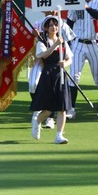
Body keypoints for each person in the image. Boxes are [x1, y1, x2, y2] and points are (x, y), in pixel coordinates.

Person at [30, 16, 72, 146]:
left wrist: (65, 63)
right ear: (46, 28)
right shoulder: (43, 42)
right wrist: (55, 45)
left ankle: (59, 135)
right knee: (48, 109)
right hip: (48, 75)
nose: (54, 27)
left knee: (62, 108)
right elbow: (43, 55)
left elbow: (70, 58)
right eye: (51, 25)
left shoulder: (63, 41)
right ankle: (37, 122)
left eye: (56, 24)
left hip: (61, 75)